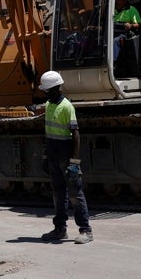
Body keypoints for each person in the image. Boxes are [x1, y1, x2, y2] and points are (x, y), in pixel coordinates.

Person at [39, 69, 93, 244]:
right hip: (54, 155)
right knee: (58, 194)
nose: (45, 93)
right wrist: (46, 157)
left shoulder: (67, 106)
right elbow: (47, 133)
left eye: (47, 90)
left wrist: (75, 162)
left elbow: (76, 136)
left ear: (55, 88)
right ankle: (60, 229)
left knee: (75, 194)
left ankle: (86, 231)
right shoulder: (49, 105)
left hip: (66, 155)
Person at [112, 0, 141, 73]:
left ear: (125, 0)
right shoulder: (111, 10)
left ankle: (112, 64)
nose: (119, 2)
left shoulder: (131, 10)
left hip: (124, 34)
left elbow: (138, 24)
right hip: (112, 32)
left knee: (114, 41)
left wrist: (130, 25)